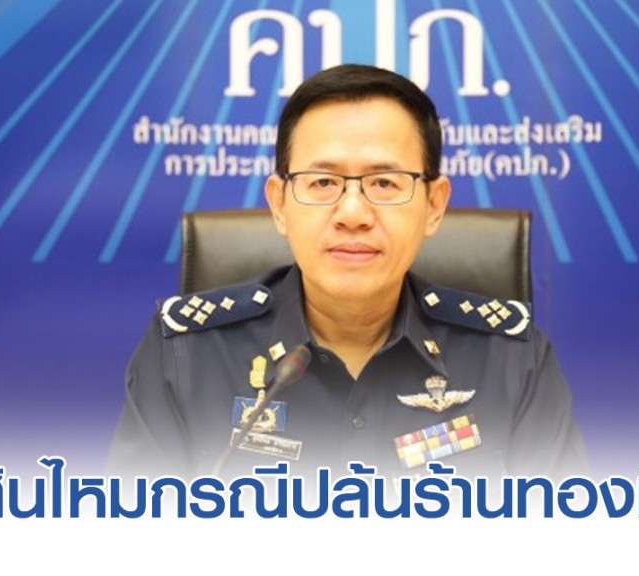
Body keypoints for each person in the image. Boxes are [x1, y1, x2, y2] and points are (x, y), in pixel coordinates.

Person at [109, 64, 585, 479]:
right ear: (279, 204)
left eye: (384, 182)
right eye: (322, 182)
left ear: (434, 205)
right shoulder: (186, 355)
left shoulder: (512, 360)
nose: (352, 213)